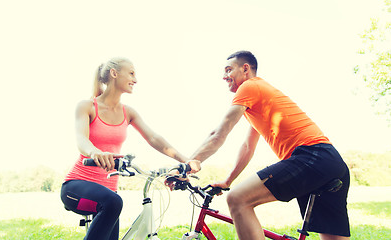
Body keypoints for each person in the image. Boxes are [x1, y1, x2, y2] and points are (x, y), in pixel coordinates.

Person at [187, 51, 350, 240]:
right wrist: (228, 181)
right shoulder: (259, 99)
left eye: (228, 70)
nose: (224, 76)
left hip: (311, 156)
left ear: (245, 68)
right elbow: (248, 147)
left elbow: (219, 133)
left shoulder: (249, 86)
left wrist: (190, 163)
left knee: (237, 199)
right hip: (330, 162)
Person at [60, 57, 189, 240]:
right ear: (114, 73)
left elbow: (153, 138)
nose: (135, 80)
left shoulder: (128, 112)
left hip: (109, 195)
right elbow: (81, 139)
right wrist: (94, 152)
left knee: (113, 203)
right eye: (131, 73)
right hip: (76, 187)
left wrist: (185, 160)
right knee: (114, 202)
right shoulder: (87, 106)